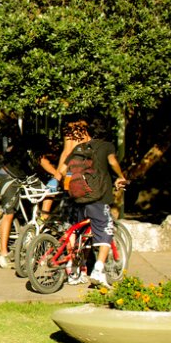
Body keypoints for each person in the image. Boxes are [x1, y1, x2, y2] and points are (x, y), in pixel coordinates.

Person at [57, 118, 127, 287]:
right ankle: (98, 269)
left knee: (79, 234)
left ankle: (73, 269)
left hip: (77, 196)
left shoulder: (79, 148)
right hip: (98, 197)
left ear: (89, 133)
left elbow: (63, 170)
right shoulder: (107, 146)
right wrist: (120, 176)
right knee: (106, 229)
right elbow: (112, 162)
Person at [0, 133, 60, 269]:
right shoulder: (31, 149)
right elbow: (44, 162)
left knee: (50, 192)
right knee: (9, 213)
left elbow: (38, 167)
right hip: (8, 177)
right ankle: (3, 253)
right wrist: (57, 174)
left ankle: (40, 221)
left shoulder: (26, 151)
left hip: (24, 178)